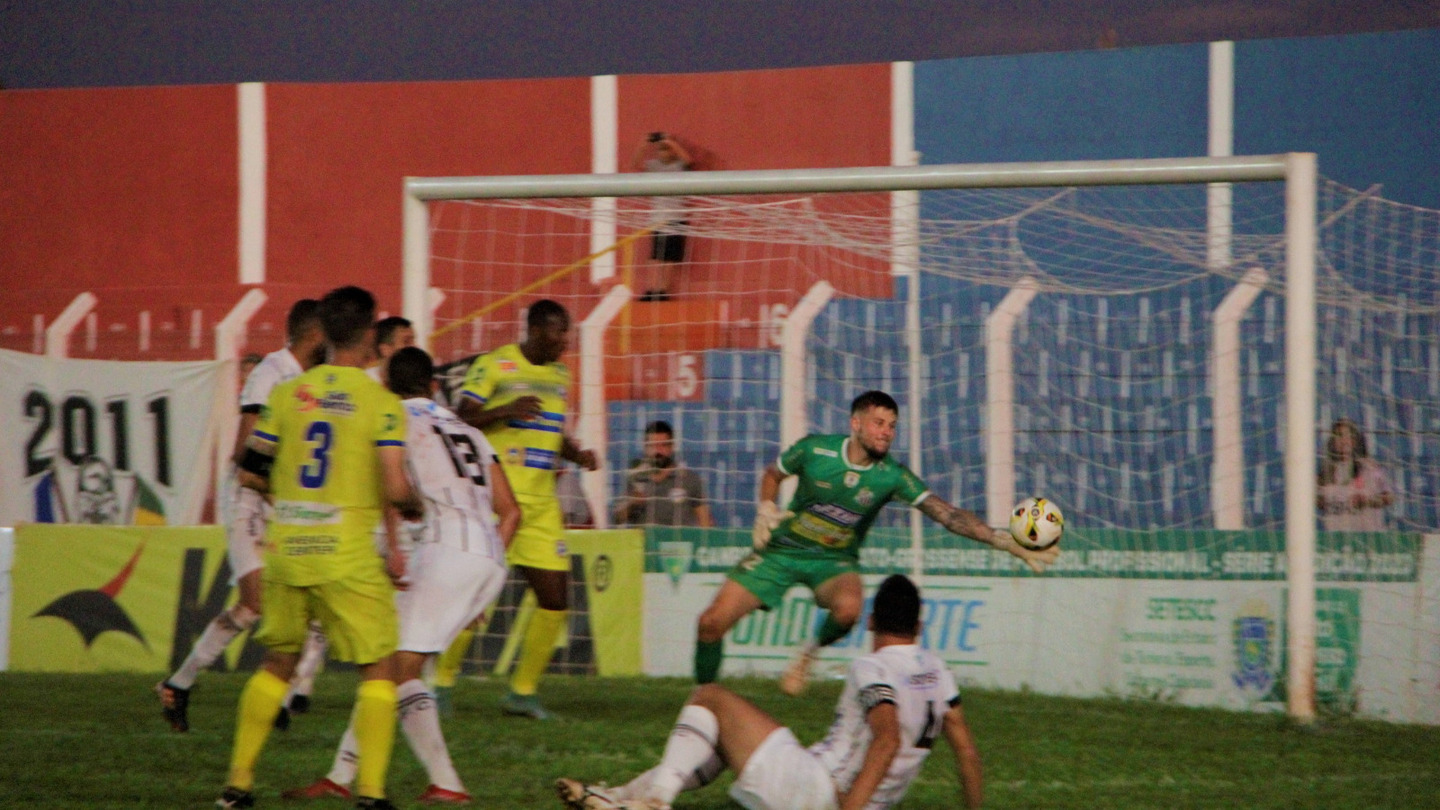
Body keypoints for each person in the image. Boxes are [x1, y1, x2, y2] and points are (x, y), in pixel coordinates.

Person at [695, 390, 1059, 695]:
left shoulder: (891, 476)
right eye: (879, 424)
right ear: (856, 424)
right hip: (782, 551)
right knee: (710, 624)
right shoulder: (815, 451)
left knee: (850, 609)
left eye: (892, 426)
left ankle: (808, 654)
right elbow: (774, 474)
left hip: (834, 561)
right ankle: (705, 699)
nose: (887, 433)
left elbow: (947, 514)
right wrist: (766, 507)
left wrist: (1004, 541)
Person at [283, 347, 520, 806]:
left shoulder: (394, 421)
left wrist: (394, 549)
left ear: (388, 385)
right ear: (434, 385)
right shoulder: (467, 428)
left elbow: (390, 490)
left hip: (446, 547)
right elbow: (512, 512)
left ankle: (342, 776)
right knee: (403, 671)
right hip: (488, 553)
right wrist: (479, 586)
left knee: (386, 669)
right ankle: (443, 782)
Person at [217, 286, 422, 810]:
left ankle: (238, 785)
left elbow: (249, 471)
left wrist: (291, 497)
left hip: (287, 547)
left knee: (276, 663)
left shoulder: (288, 395)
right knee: (378, 669)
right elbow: (396, 488)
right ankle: (371, 794)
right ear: (373, 336)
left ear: (325, 334)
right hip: (346, 554)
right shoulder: (381, 403)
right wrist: (416, 506)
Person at [555, 574, 985, 810]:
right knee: (719, 739)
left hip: (816, 791)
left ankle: (656, 801)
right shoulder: (938, 672)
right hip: (831, 793)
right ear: (919, 627)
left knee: (709, 698)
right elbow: (966, 752)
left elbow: (887, 736)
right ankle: (615, 798)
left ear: (870, 622)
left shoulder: (872, 667)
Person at [157, 299, 329, 733]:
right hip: (251, 496)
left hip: (281, 500)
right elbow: (244, 452)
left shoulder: (312, 379)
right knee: (255, 604)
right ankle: (185, 685)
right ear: (315, 334)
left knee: (300, 603)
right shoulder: (272, 373)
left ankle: (270, 698)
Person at [451, 299, 600, 720]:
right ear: (535, 330)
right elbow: (460, 418)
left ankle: (522, 691)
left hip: (540, 503)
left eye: (567, 332)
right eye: (558, 332)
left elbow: (553, 431)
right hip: (496, 500)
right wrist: (505, 411)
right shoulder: (496, 365)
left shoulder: (559, 374)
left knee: (555, 600)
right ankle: (440, 683)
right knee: (476, 598)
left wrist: (576, 453)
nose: (564, 341)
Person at [612, 420, 713, 528]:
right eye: (653, 445)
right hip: (645, 543)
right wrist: (633, 502)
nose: (658, 451)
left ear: (671, 447)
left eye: (663, 445)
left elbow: (706, 522)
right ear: (645, 447)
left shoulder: (689, 479)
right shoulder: (634, 478)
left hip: (680, 544)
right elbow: (617, 519)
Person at [631, 131, 693, 301]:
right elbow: (635, 165)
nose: (664, 152)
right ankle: (652, 289)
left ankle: (663, 291)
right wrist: (644, 144)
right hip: (658, 219)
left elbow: (689, 161)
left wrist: (670, 142)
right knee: (655, 256)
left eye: (667, 149)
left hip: (677, 218)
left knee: (670, 258)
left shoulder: (679, 166)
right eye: (661, 149)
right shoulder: (654, 166)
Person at [1318, 418, 1393, 531]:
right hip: (1336, 538)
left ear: (1356, 440)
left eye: (1348, 436)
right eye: (1339, 436)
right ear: (1332, 442)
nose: (1344, 441)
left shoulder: (1370, 467)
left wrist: (1368, 501)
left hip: (1367, 537)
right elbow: (1319, 501)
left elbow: (1389, 497)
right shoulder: (1326, 472)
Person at [367, 316, 417, 385]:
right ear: (385, 349)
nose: (414, 346)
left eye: (413, 341)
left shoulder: (417, 382)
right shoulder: (364, 382)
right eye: (406, 341)